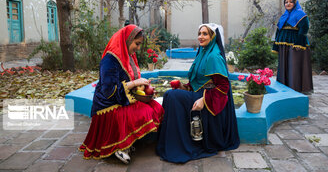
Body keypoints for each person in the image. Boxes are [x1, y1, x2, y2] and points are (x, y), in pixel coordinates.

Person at [79, 25, 164, 163]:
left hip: (123, 98)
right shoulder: (110, 59)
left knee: (155, 107)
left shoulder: (129, 56)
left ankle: (128, 142)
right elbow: (108, 91)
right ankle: (120, 146)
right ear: (128, 39)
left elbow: (130, 81)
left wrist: (144, 87)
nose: (137, 48)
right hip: (107, 105)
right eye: (136, 44)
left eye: (139, 44)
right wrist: (136, 84)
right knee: (144, 113)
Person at [156, 23, 240, 163]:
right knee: (170, 94)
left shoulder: (213, 56)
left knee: (172, 96)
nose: (200, 37)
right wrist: (184, 87)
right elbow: (199, 81)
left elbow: (223, 86)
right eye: (199, 33)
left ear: (213, 36)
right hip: (199, 94)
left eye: (205, 34)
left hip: (209, 101)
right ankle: (173, 144)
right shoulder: (203, 52)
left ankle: (179, 145)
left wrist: (203, 100)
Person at [272, 0, 313, 94]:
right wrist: (275, 45)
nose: (288, 4)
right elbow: (278, 31)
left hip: (295, 45)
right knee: (284, 66)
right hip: (283, 46)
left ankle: (296, 89)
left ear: (295, 3)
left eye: (290, 1)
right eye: (286, 2)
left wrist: (299, 43)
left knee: (293, 66)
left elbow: (304, 29)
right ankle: (284, 88)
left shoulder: (300, 14)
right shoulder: (284, 16)